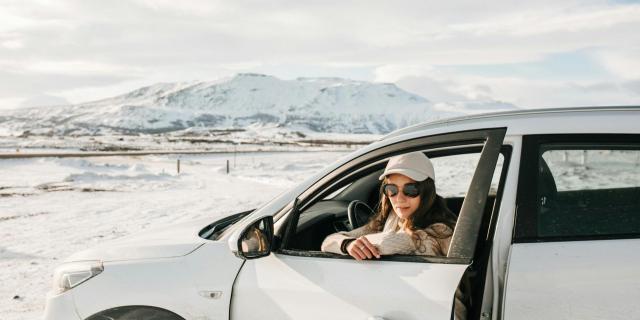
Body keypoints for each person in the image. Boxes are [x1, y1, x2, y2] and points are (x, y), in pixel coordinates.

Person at [320, 151, 467, 320]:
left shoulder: (441, 230)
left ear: (426, 191)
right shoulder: (391, 217)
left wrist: (358, 242)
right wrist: (347, 244)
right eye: (391, 189)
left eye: (410, 190)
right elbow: (328, 242)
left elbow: (390, 243)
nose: (399, 198)